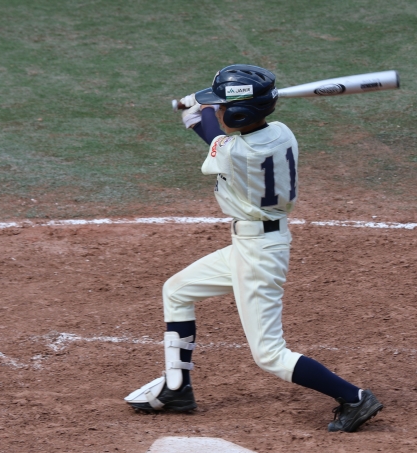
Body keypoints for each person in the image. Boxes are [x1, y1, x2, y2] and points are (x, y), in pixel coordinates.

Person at [124, 64, 383, 432]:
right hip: (252, 244)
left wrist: (196, 109)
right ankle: (177, 388)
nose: (219, 111)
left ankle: (354, 398)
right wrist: (205, 108)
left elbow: (211, 133)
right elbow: (213, 130)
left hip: (259, 253)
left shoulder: (235, 153)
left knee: (270, 355)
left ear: (240, 114)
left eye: (224, 107)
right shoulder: (281, 132)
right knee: (178, 290)